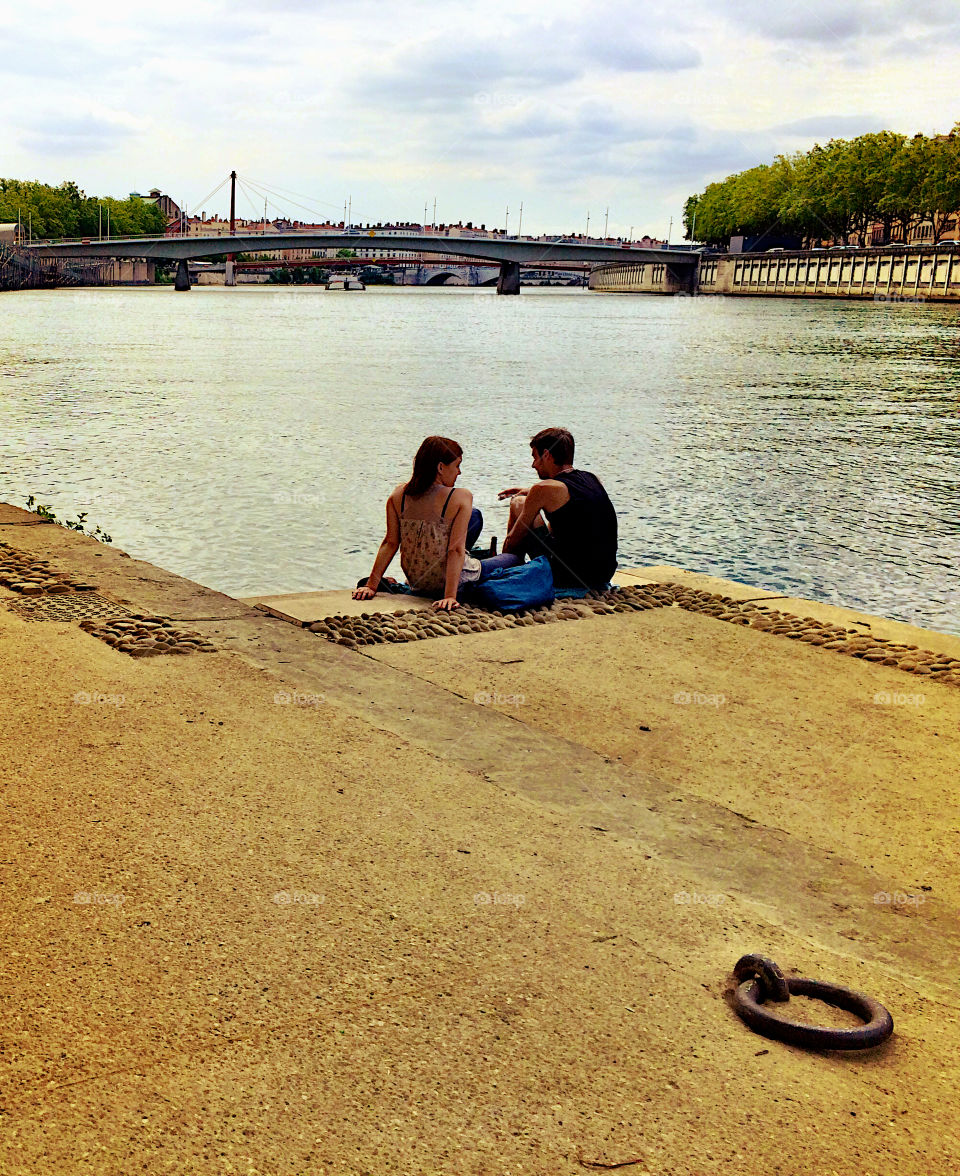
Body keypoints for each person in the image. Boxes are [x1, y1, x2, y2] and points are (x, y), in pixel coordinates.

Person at [353, 436, 509, 612]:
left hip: (417, 582)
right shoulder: (459, 496)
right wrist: (449, 596)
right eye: (457, 466)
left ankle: (471, 558)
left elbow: (390, 543)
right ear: (441, 467)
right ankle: (475, 562)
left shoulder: (398, 496)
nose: (459, 472)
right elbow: (455, 550)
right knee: (513, 559)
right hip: (452, 583)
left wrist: (370, 586)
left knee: (474, 516)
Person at [498, 427, 618, 590]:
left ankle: (508, 570)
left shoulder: (543, 489)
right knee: (560, 527)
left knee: (518, 503)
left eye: (535, 457)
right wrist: (531, 493)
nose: (533, 465)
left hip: (568, 577)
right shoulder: (592, 479)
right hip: (602, 573)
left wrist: (498, 564)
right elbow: (574, 509)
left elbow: (513, 541)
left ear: (546, 455)